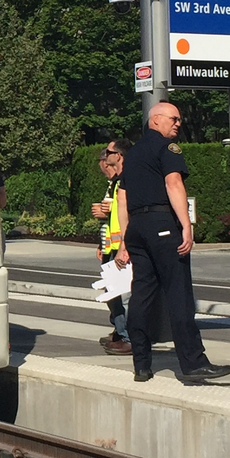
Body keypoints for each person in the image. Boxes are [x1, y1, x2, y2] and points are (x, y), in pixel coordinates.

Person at [115, 101, 230, 386]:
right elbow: (174, 184)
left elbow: (123, 197)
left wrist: (123, 241)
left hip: (137, 228)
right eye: (174, 118)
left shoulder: (132, 155)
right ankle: (193, 363)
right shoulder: (167, 149)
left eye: (179, 119)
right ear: (155, 120)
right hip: (162, 224)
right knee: (178, 293)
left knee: (142, 294)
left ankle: (141, 364)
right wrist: (186, 225)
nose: (178, 123)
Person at [91, 140, 132, 356]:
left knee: (121, 294)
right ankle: (121, 331)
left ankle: (127, 336)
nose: (106, 156)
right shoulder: (115, 183)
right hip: (112, 246)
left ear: (119, 156)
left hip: (121, 247)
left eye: (109, 152)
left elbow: (125, 215)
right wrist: (103, 244)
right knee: (113, 294)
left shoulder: (126, 181)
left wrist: (122, 246)